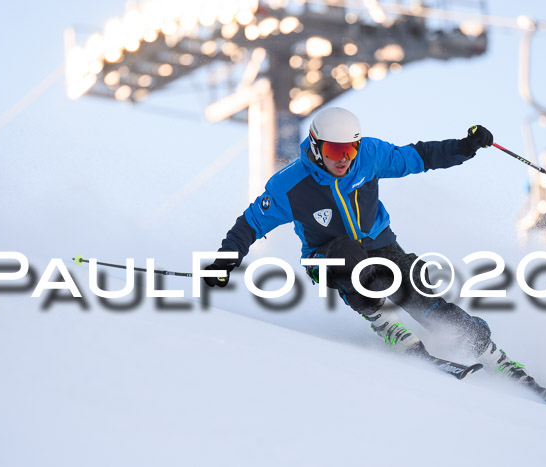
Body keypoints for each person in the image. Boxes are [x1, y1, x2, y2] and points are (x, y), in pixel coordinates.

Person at [203, 107, 528, 381]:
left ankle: (483, 347)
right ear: (317, 147)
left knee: (414, 288)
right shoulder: (290, 185)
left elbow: (418, 156)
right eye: (333, 151)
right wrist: (224, 261)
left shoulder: (370, 156)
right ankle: (385, 323)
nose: (343, 159)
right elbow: (250, 223)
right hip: (325, 256)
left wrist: (464, 146)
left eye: (350, 150)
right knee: (353, 259)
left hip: (380, 242)